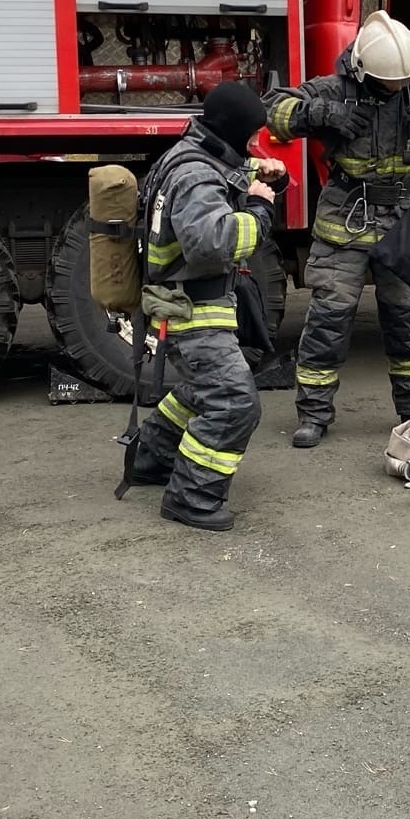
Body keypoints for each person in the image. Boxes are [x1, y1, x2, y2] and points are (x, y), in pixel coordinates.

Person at [267, 12, 410, 448]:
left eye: (406, 82)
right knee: (329, 318)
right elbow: (274, 110)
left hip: (400, 218)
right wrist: (319, 113)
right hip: (345, 215)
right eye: (392, 84)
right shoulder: (334, 88)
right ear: (365, 72)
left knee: (406, 319)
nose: (401, 89)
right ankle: (313, 414)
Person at [127, 82, 281, 532]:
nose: (255, 146)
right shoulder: (196, 176)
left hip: (184, 302)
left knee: (203, 389)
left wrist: (262, 174)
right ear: (232, 131)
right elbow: (211, 244)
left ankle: (149, 460)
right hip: (192, 309)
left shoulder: (190, 153)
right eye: (251, 137)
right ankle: (192, 496)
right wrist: (259, 209)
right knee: (234, 403)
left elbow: (225, 171)